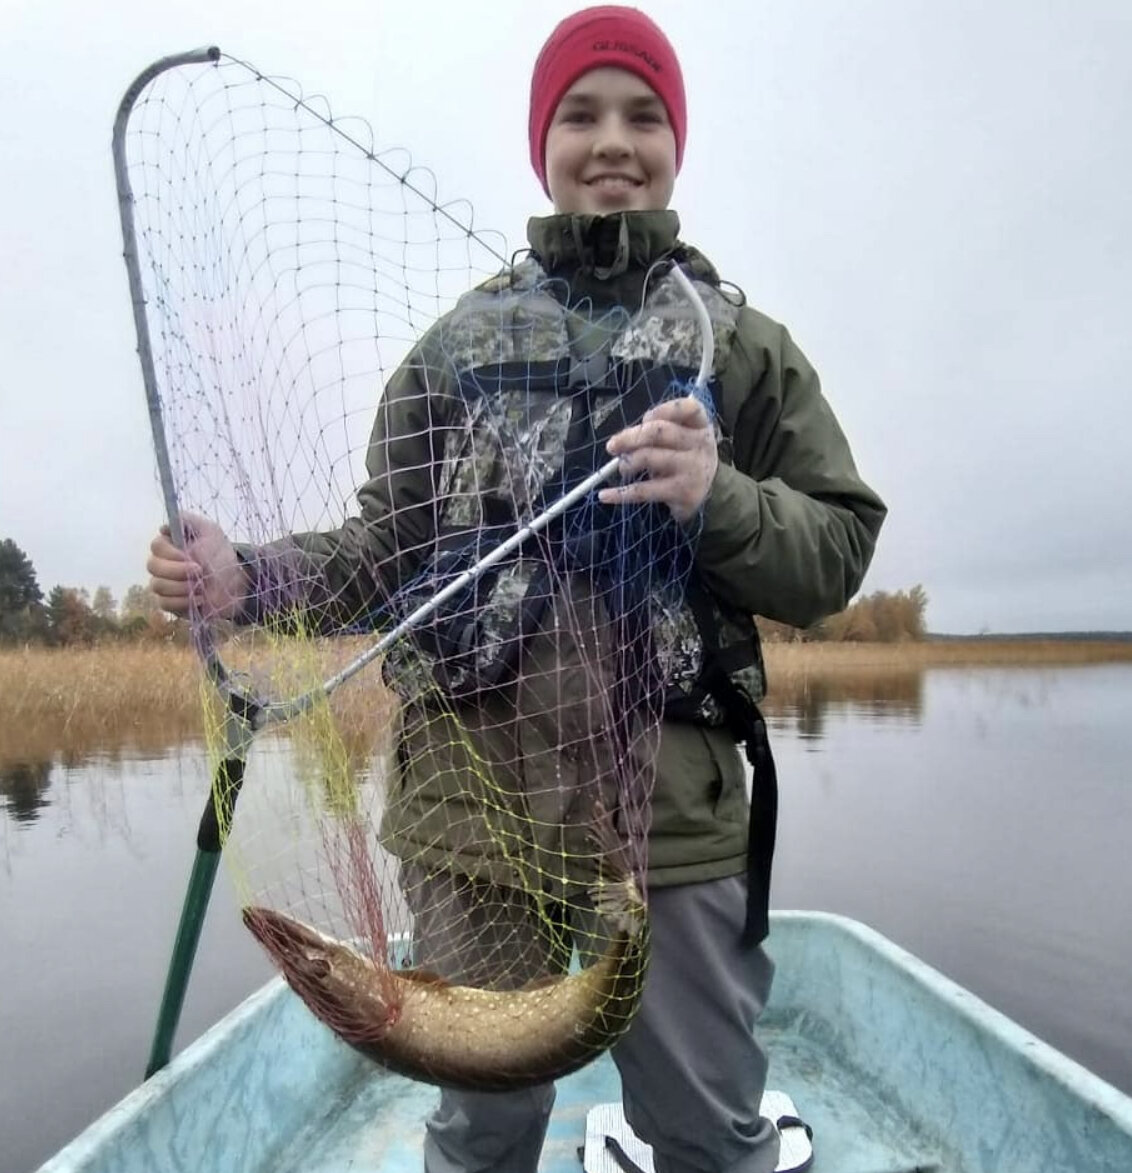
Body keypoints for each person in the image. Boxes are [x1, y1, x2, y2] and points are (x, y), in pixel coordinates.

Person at [147, 7, 886, 1171]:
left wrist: (717, 495)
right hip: (462, 823)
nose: (612, 141)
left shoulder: (744, 349)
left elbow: (839, 552)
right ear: (540, 143)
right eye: (579, 114)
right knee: (481, 1130)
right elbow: (383, 557)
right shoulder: (451, 351)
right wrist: (249, 576)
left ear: (675, 143)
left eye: (643, 115)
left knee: (704, 1129)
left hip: (674, 827)